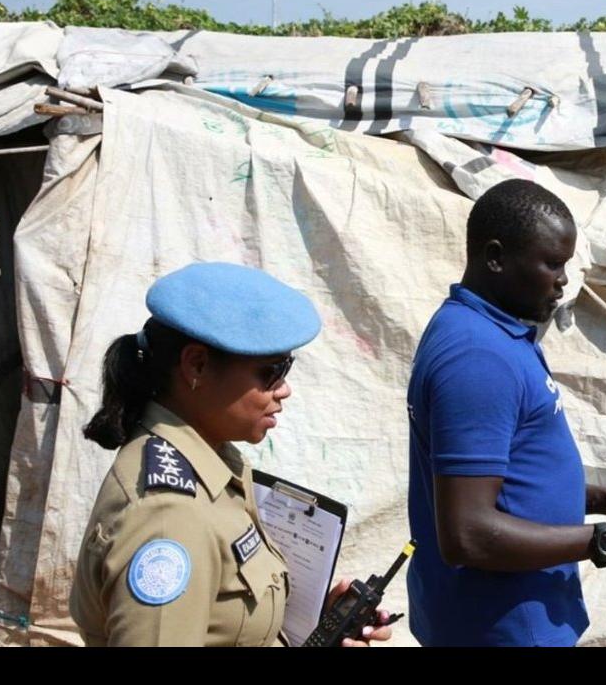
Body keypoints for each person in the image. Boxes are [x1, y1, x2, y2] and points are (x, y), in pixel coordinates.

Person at [406, 179, 606, 647]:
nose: (563, 279)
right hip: (503, 627)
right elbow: (467, 534)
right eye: (553, 263)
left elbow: (509, 484)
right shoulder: (478, 358)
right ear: (496, 258)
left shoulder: (491, 331)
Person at [70, 261, 392, 647]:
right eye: (271, 371)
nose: (284, 389)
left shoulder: (214, 461)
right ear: (197, 365)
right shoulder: (169, 518)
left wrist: (320, 630)